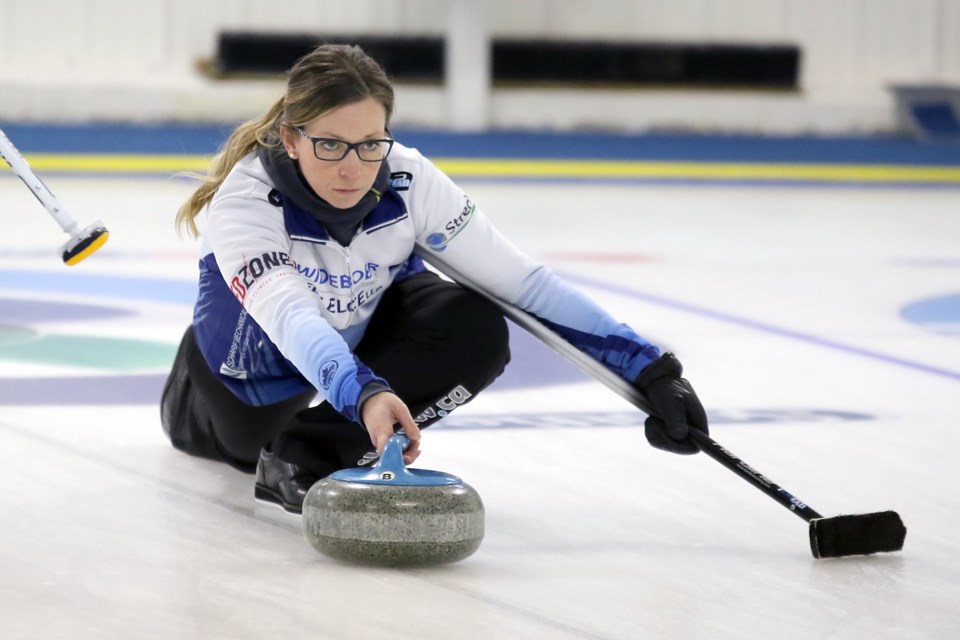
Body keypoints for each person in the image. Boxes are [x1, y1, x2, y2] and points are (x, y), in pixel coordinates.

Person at [161, 43, 709, 514]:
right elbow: (291, 318)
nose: (352, 168)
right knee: (243, 449)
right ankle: (216, 402)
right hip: (253, 368)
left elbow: (524, 284)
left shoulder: (407, 177)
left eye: (370, 143)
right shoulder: (247, 203)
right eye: (329, 145)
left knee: (475, 326)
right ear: (291, 137)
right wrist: (367, 395)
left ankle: (310, 451)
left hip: (356, 335)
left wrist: (651, 371)